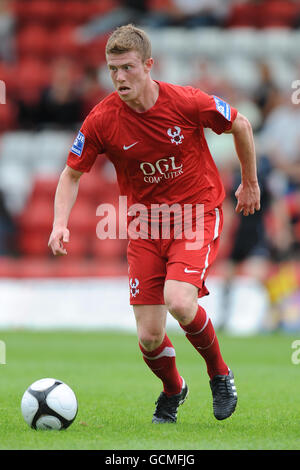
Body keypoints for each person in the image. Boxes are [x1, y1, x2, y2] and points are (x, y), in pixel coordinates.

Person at [48, 24, 260, 423]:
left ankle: (219, 373)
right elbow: (71, 173)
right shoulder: (102, 119)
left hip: (195, 213)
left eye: (127, 68)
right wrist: (60, 223)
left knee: (180, 301)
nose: (119, 78)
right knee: (148, 337)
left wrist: (249, 183)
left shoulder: (187, 102)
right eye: (112, 69)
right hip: (146, 225)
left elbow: (241, 125)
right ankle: (174, 389)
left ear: (148, 65)